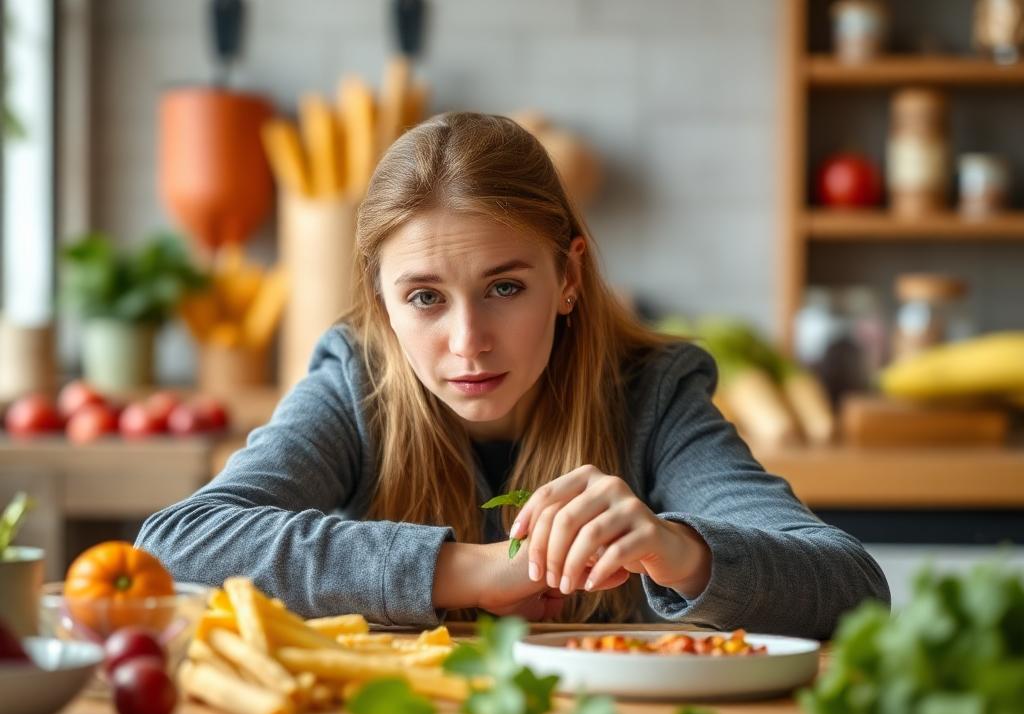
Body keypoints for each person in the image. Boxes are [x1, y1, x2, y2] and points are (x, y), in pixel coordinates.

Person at [136, 112, 889, 639]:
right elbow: (175, 549)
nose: (469, 343)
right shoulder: (355, 382)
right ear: (380, 301)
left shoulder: (652, 393)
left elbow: (853, 589)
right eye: (424, 298)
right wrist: (463, 571)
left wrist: (679, 549)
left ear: (567, 277)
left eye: (505, 288)